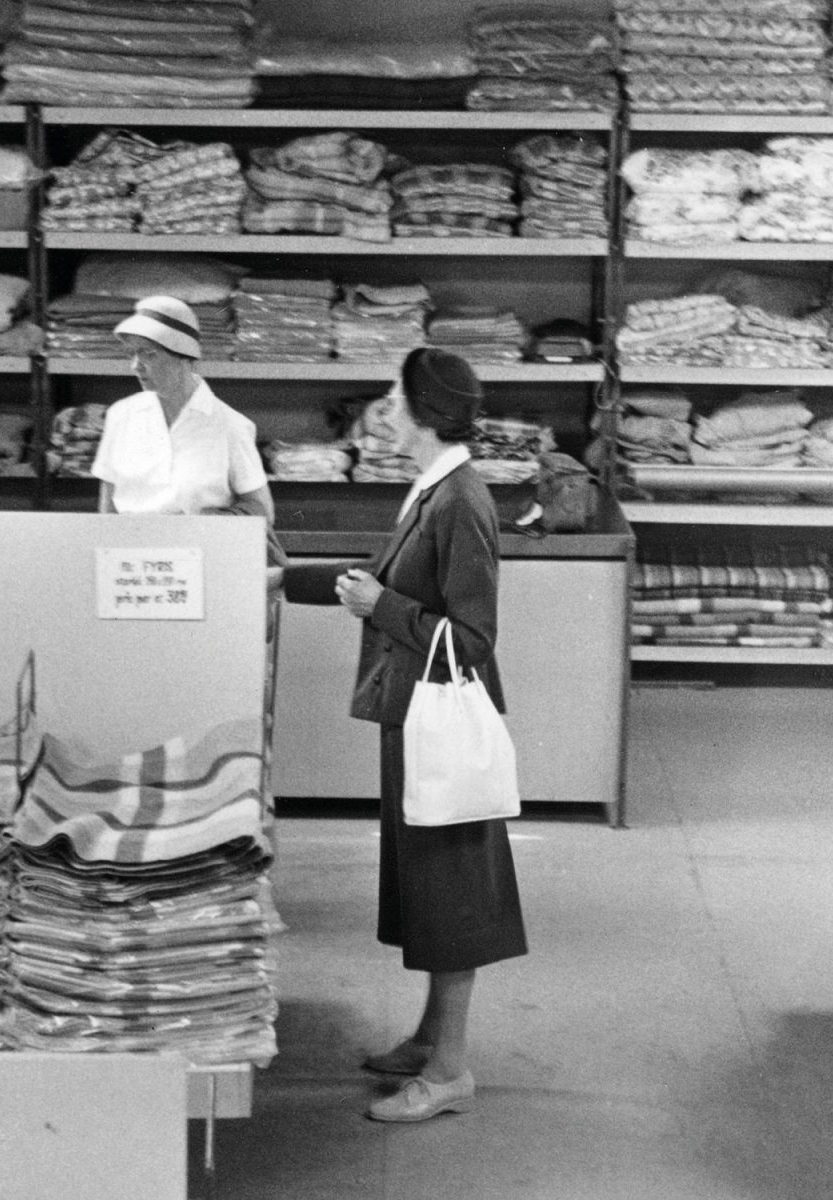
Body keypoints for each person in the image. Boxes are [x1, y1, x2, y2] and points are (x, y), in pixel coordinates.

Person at [283, 346, 527, 1123]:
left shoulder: (461, 501)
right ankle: (430, 1038)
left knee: (450, 893)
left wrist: (379, 609)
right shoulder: (432, 490)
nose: (384, 409)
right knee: (428, 887)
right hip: (414, 716)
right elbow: (385, 581)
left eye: (394, 396)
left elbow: (474, 637)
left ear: (423, 410)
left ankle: (450, 1072)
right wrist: (282, 579)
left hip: (439, 725)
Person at [91, 295, 274, 525]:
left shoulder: (230, 425)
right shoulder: (121, 415)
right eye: (133, 353)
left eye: (149, 354)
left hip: (201, 554)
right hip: (130, 555)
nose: (136, 366)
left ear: (184, 357)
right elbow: (106, 513)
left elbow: (263, 514)